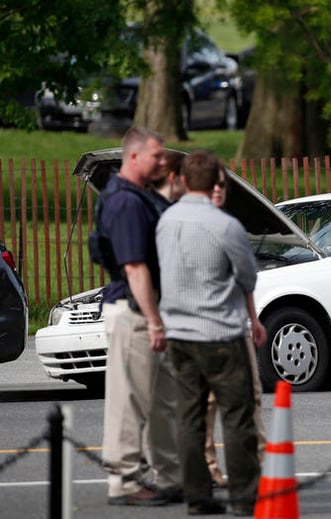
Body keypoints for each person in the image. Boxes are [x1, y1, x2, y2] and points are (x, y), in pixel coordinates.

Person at [157, 149, 267, 516]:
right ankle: (243, 497)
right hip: (220, 330)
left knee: (189, 417)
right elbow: (248, 276)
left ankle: (197, 496)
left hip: (179, 331)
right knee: (236, 417)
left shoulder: (166, 221)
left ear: (185, 180)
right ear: (216, 183)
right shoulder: (226, 225)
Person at [95, 127, 182, 506]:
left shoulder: (138, 197)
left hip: (144, 309)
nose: (163, 162)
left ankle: (170, 477)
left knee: (162, 399)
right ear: (134, 157)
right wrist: (154, 320)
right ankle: (126, 483)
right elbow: (135, 267)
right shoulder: (126, 203)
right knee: (128, 401)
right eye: (156, 155)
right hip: (135, 310)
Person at [203, 167, 267, 490]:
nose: (218, 189)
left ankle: (261, 463)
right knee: (209, 402)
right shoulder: (191, 226)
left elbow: (246, 280)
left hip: (235, 323)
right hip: (202, 329)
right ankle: (209, 467)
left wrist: (253, 319)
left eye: (222, 185)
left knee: (252, 395)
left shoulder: (231, 228)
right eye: (212, 184)